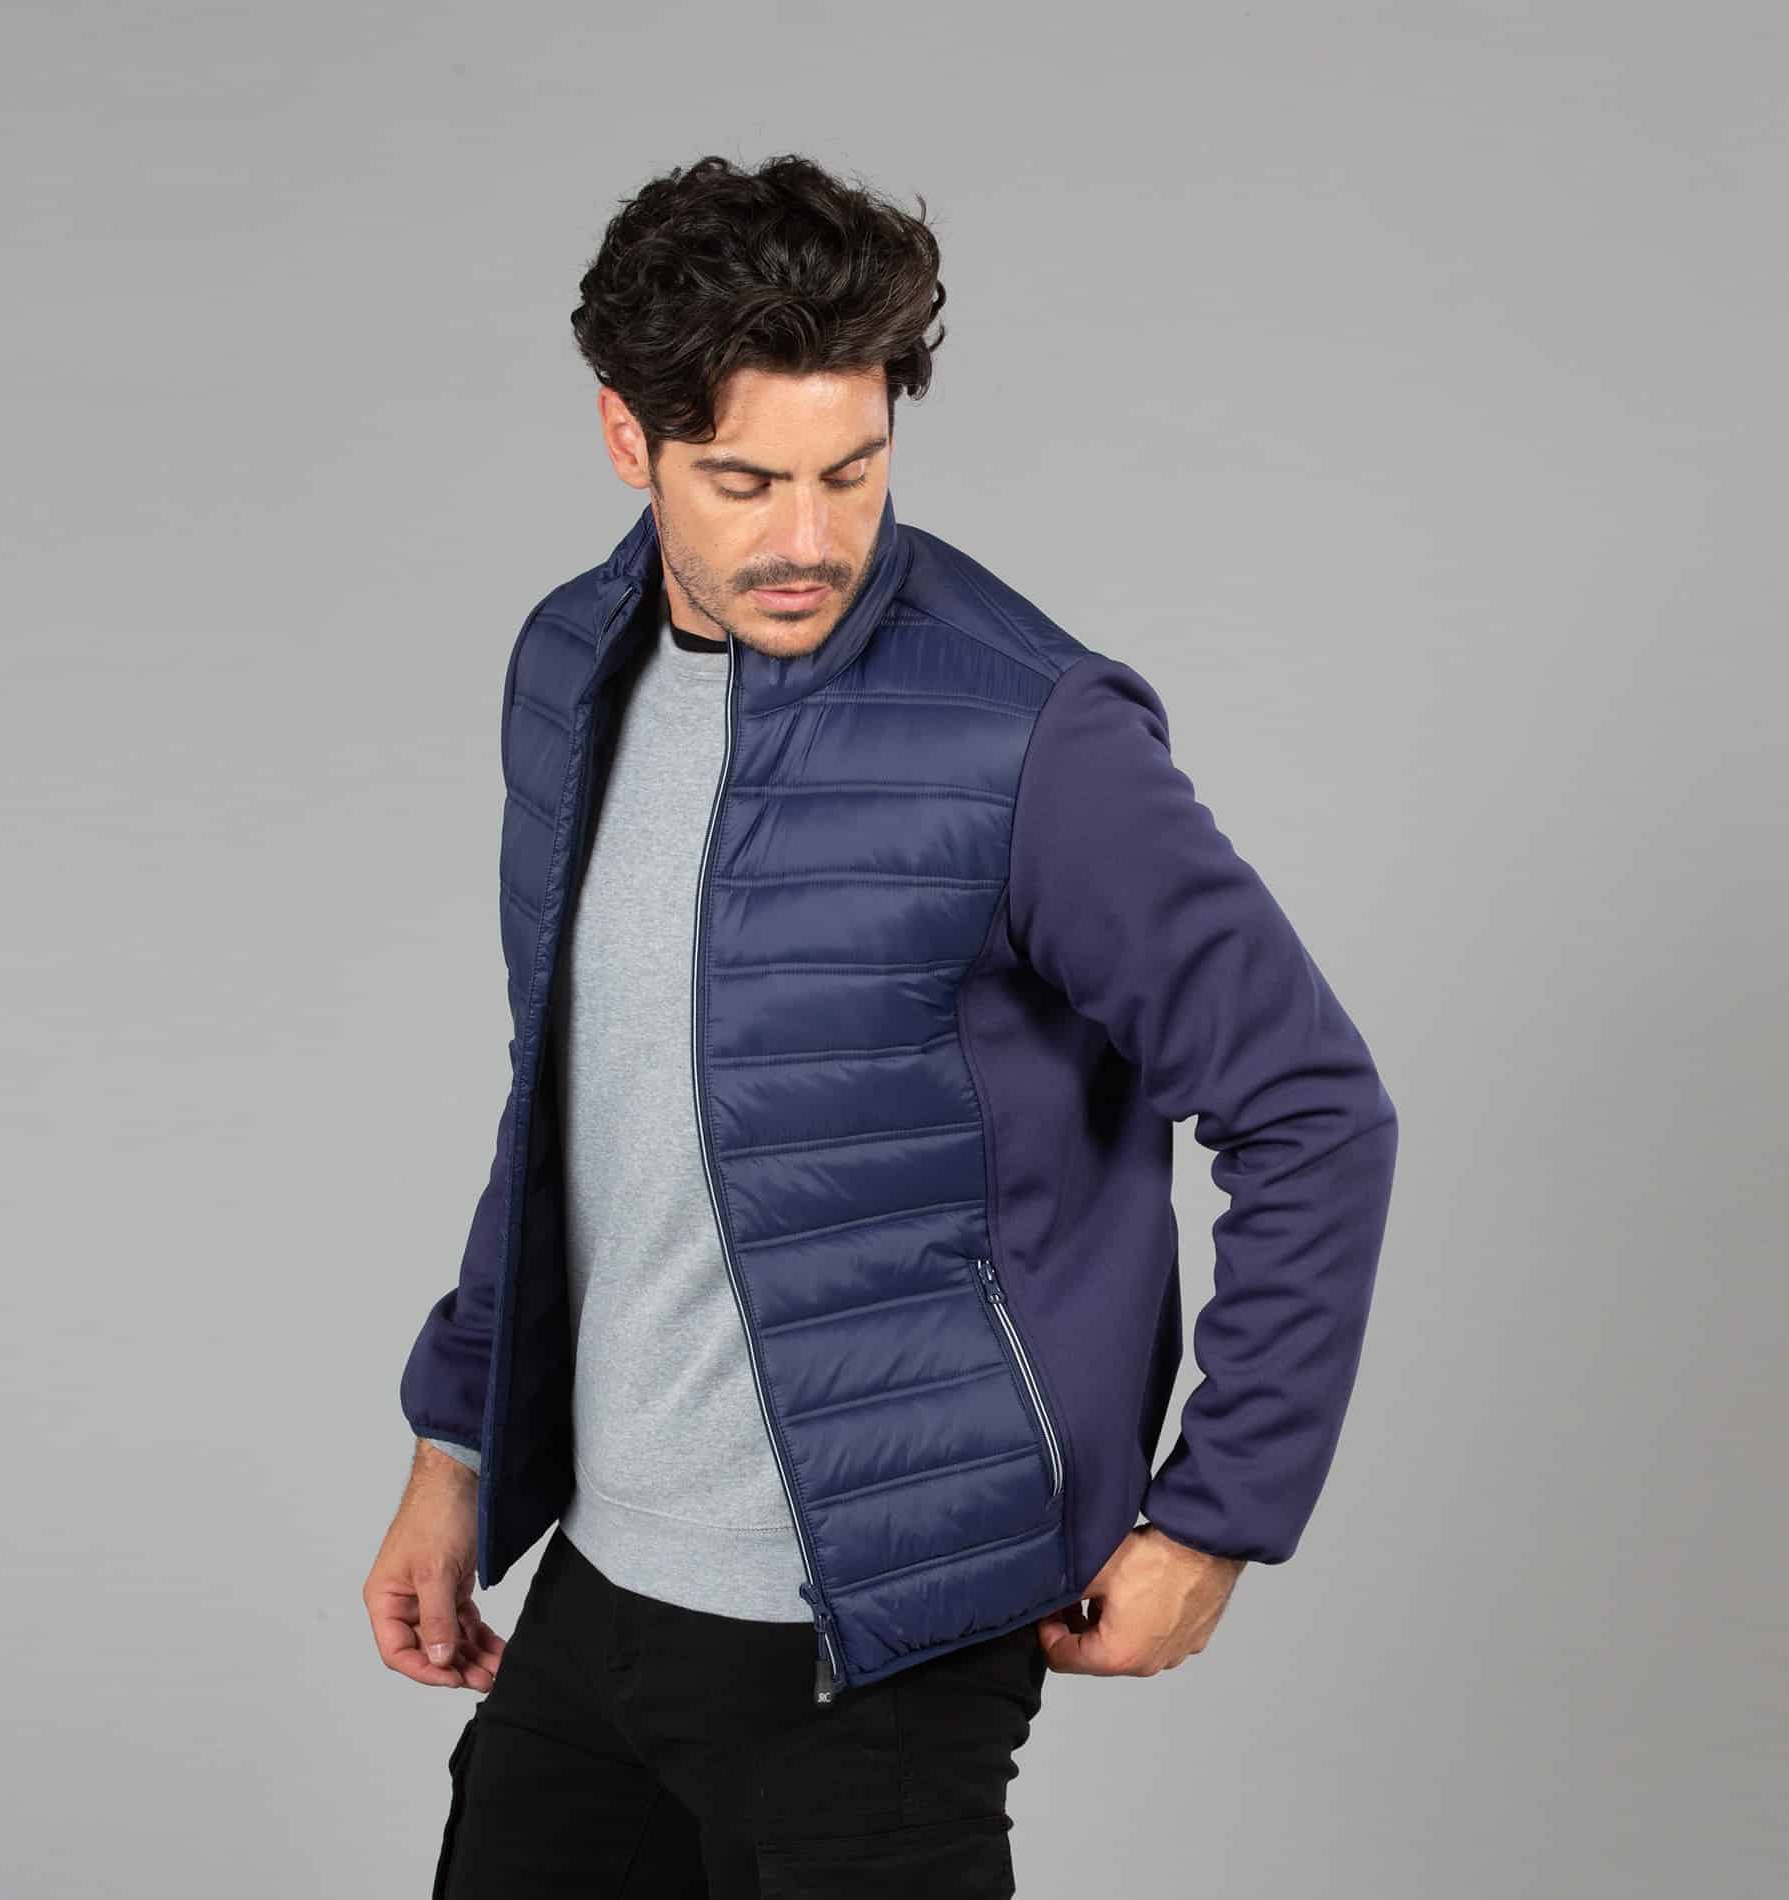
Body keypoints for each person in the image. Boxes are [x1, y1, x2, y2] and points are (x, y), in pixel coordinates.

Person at [362, 151, 1399, 1899]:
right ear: (627, 440)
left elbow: (1312, 1108)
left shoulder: (1027, 731)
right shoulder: (569, 669)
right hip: (602, 1596)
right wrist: (455, 1444)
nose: (810, 539)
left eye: (852, 470)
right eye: (745, 480)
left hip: (882, 1643)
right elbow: (572, 1096)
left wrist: (1219, 1515)